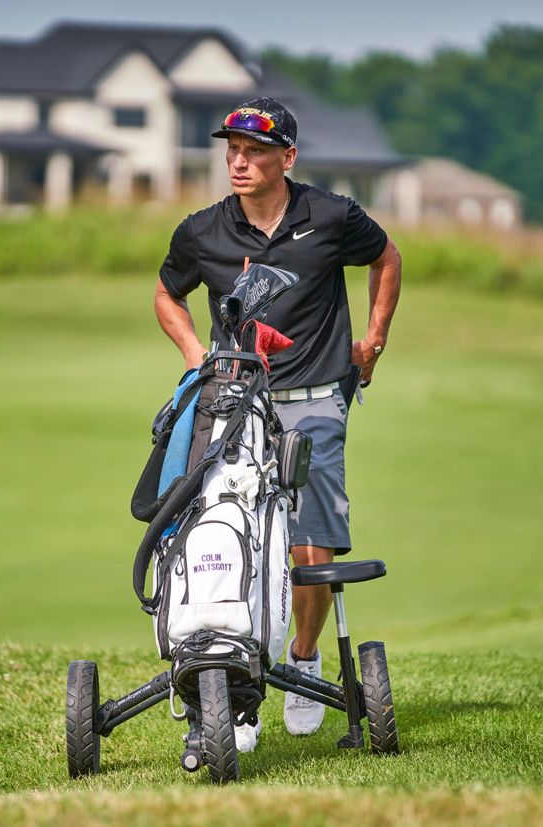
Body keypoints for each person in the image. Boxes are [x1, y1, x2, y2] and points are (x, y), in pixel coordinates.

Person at [155, 96, 401, 752]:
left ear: (287, 157)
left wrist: (374, 340)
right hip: (234, 402)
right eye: (233, 150)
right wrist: (195, 355)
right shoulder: (202, 231)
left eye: (256, 151)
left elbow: (387, 258)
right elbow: (167, 293)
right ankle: (236, 685)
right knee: (225, 533)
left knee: (308, 544)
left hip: (315, 398)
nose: (239, 161)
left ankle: (303, 656)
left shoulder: (332, 216)